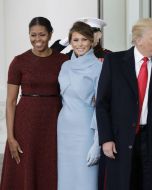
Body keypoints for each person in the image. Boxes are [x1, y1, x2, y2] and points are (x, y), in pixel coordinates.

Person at [96, 18, 152, 190]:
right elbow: (103, 104)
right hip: (120, 139)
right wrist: (106, 139)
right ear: (138, 39)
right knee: (123, 184)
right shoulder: (114, 62)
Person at [0, 17, 68, 190]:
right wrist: (11, 137)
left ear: (51, 34)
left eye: (42, 35)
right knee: (25, 168)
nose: (38, 40)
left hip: (54, 121)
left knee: (50, 166)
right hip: (25, 125)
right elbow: (10, 101)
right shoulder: (18, 61)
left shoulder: (63, 61)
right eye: (33, 35)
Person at [57, 21, 101, 190]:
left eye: (84, 39)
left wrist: (97, 143)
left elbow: (101, 106)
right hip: (64, 129)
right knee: (66, 179)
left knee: (85, 180)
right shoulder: (65, 66)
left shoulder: (99, 67)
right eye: (75, 40)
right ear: (70, 42)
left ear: (91, 41)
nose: (80, 44)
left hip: (85, 130)